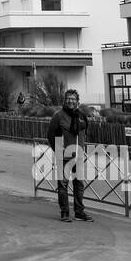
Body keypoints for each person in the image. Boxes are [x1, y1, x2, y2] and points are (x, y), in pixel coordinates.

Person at [47, 89, 92, 223]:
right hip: (64, 156)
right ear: (64, 100)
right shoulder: (58, 116)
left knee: (79, 185)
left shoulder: (81, 116)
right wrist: (58, 150)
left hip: (78, 156)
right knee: (63, 185)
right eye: (68, 99)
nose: (70, 101)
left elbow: (84, 133)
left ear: (77, 101)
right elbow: (50, 135)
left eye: (73, 99)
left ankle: (79, 212)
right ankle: (65, 212)